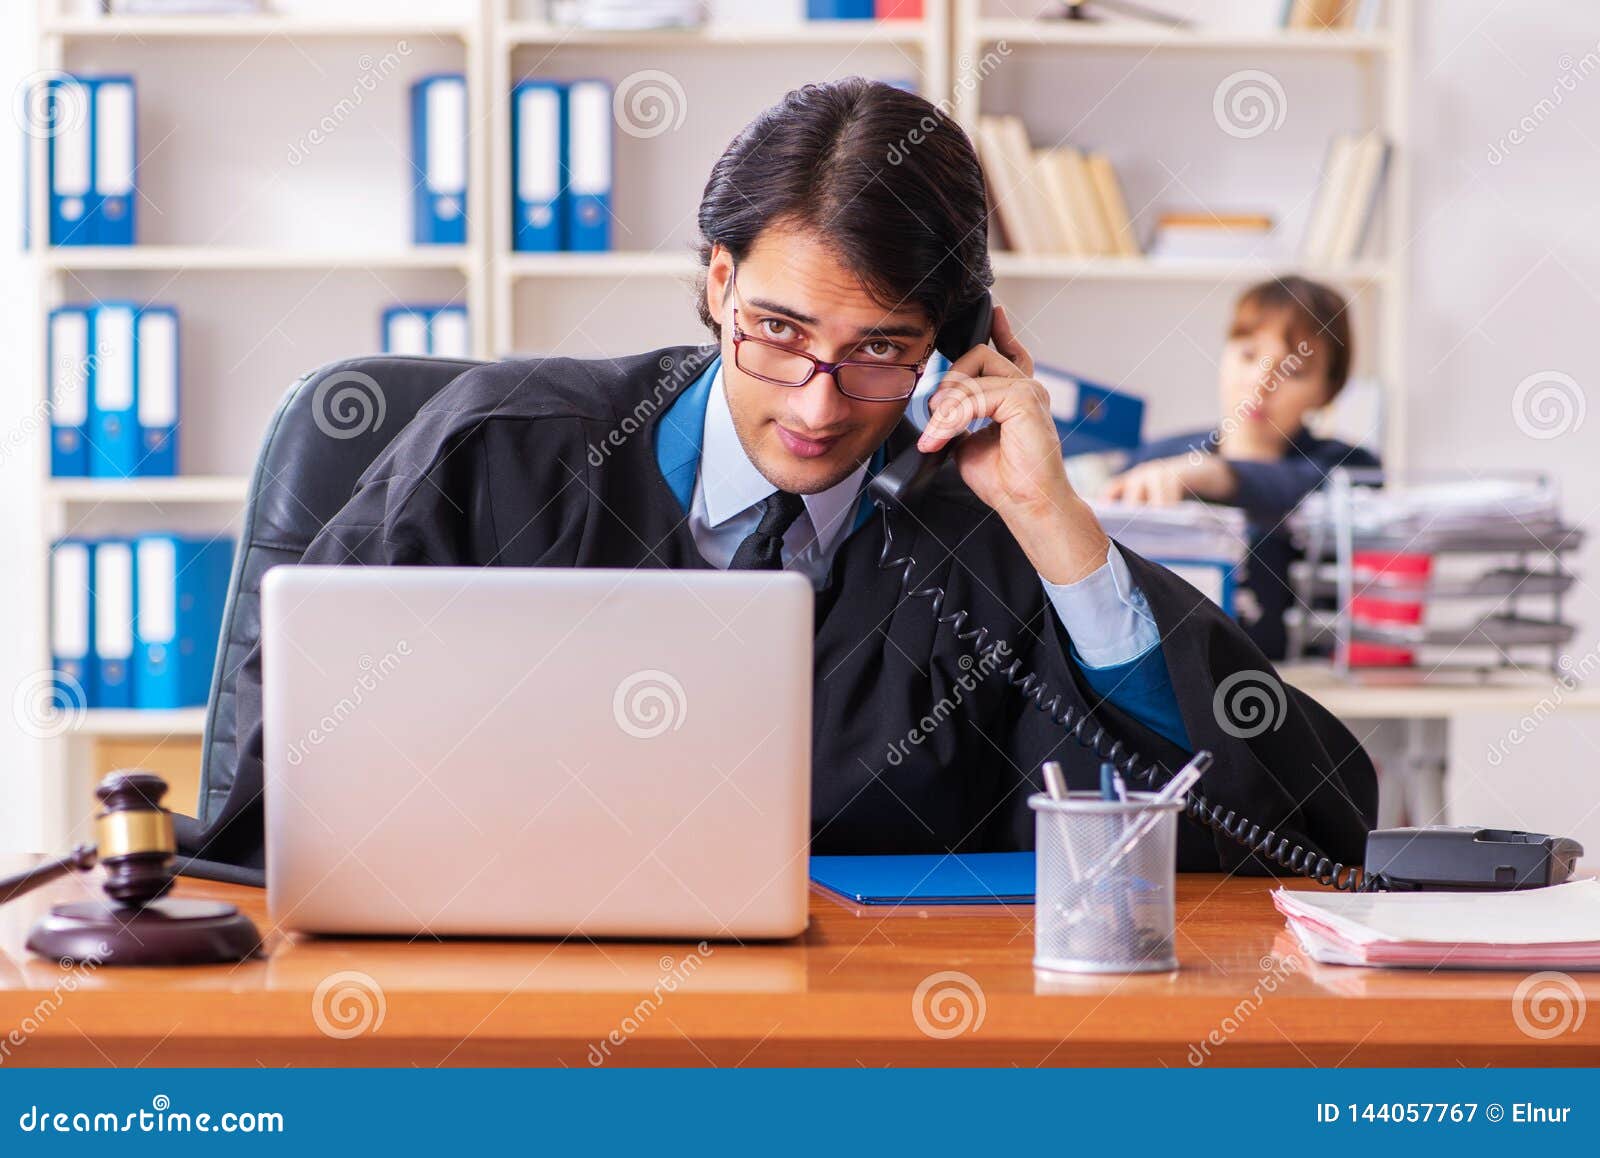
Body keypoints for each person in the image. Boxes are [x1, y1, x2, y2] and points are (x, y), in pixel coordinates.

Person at [179, 79, 1376, 879]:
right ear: (713, 280)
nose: (814, 404)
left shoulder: (983, 539)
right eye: (777, 331)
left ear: (958, 343)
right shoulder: (498, 450)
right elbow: (280, 786)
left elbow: (1306, 821)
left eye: (878, 351)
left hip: (862, 1058)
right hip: (487, 1023)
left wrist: (1056, 531)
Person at [1102, 277, 1381, 659]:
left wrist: (1210, 475)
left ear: (1326, 391)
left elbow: (1302, 486)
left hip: (1300, 686)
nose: (1262, 381)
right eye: (1249, 356)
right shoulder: (1154, 460)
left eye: (1294, 372)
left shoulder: (1348, 466)